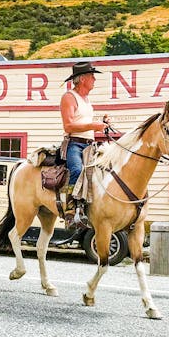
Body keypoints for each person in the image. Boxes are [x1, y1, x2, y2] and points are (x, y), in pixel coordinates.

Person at [60, 61, 108, 228]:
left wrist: (99, 123)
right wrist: (94, 126)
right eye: (91, 76)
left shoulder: (86, 99)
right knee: (76, 170)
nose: (94, 79)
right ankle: (70, 210)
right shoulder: (69, 97)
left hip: (89, 144)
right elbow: (68, 126)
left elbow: (83, 121)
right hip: (75, 143)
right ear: (82, 79)